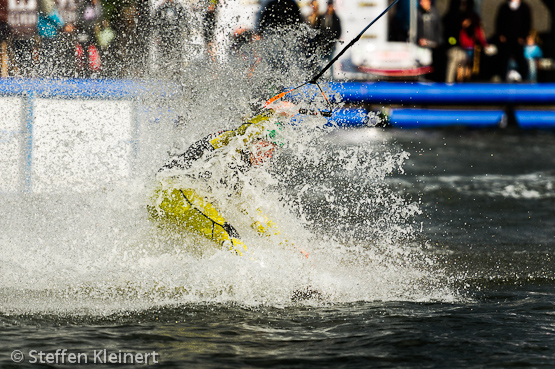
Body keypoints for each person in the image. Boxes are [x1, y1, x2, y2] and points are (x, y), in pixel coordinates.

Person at [149, 108, 287, 255]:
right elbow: (245, 131)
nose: (268, 156)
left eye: (273, 151)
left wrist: (288, 246)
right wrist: (272, 112)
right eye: (267, 148)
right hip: (172, 193)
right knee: (230, 236)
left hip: (163, 200)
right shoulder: (230, 142)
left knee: (200, 253)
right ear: (254, 141)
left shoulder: (242, 170)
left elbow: (255, 216)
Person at [495, 0, 531, 82]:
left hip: (518, 40)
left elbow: (527, 23)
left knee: (521, 60)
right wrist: (500, 35)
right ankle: (502, 78)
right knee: (503, 59)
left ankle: (524, 78)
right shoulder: (504, 7)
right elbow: (499, 21)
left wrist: (523, 37)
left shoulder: (524, 7)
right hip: (506, 40)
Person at [153, 0, 188, 76]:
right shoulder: (161, 7)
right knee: (163, 54)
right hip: (164, 35)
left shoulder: (178, 7)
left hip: (176, 35)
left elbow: (184, 21)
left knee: (178, 53)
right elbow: (155, 22)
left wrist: (185, 33)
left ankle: (178, 72)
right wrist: (156, 36)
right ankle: (163, 71)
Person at [457, 0, 489, 81]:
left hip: (474, 47)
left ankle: (473, 79)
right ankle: (460, 81)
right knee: (462, 65)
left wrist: (485, 44)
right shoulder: (461, 17)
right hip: (463, 47)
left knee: (474, 65)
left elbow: (479, 33)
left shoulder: (475, 18)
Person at [37, 0, 65, 76]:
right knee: (49, 54)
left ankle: (47, 72)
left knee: (48, 54)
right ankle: (48, 73)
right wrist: (63, 25)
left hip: (47, 32)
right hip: (48, 32)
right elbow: (51, 14)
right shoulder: (47, 2)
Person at [76, 0, 103, 77]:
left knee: (96, 50)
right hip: (85, 31)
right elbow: (80, 19)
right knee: (83, 50)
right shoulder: (84, 5)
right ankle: (83, 71)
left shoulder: (97, 6)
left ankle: (96, 71)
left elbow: (100, 17)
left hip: (94, 32)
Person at [318, 0, 341, 73]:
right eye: (329, 6)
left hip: (331, 44)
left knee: (331, 62)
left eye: (331, 6)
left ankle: (332, 79)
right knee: (320, 63)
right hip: (322, 44)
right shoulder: (322, 17)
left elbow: (338, 31)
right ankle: (320, 78)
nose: (330, 8)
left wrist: (334, 41)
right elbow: (318, 30)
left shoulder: (336, 18)